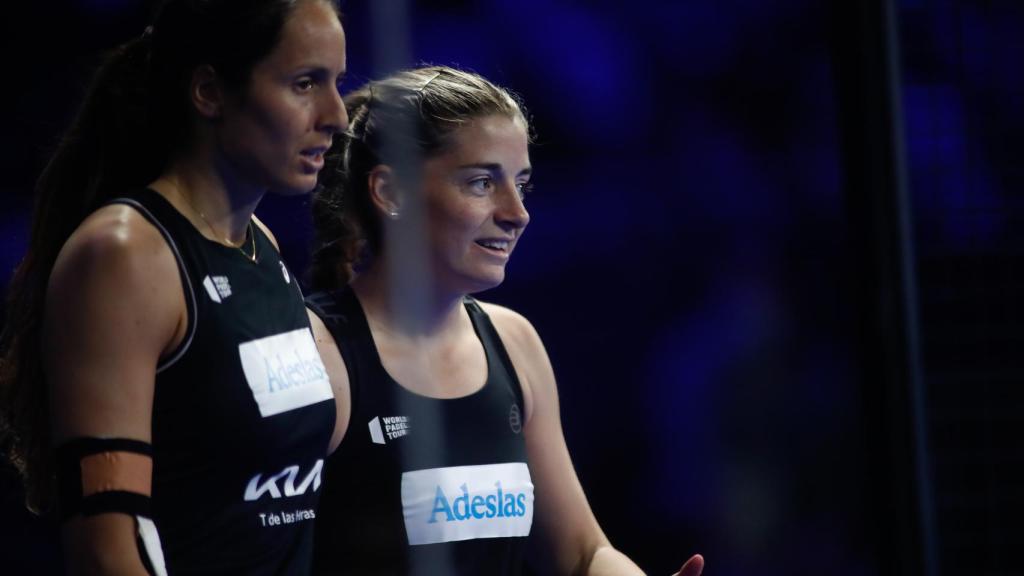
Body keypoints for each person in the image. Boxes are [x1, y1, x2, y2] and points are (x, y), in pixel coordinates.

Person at [305, 65, 704, 576]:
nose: (517, 212)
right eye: (481, 182)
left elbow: (584, 552)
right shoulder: (317, 353)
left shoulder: (514, 341)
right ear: (390, 192)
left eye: (521, 184)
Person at [0, 0, 347, 573]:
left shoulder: (263, 248)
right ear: (209, 90)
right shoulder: (125, 255)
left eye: (337, 82)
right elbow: (106, 537)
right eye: (305, 83)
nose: (335, 114)